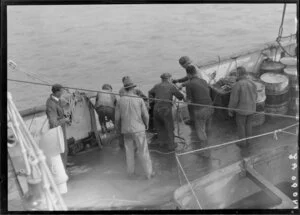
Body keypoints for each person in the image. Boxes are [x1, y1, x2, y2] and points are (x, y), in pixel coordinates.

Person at [115, 77, 154, 180]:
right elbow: (146, 116)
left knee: (129, 152)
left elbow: (117, 118)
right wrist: (147, 125)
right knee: (143, 151)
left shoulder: (119, 101)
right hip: (139, 129)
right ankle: (148, 173)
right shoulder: (139, 99)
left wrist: (118, 129)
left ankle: (131, 174)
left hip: (126, 130)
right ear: (133, 88)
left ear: (125, 88)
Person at [173, 56, 216, 125]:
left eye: (182, 65)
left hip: (197, 87)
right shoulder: (191, 66)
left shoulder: (190, 68)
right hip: (202, 85)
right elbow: (189, 77)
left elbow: (192, 78)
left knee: (190, 105)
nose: (182, 67)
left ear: (184, 64)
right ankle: (202, 118)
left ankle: (193, 120)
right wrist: (178, 80)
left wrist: (182, 85)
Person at [148, 73, 184, 151]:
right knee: (169, 127)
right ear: (169, 78)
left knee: (160, 126)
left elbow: (150, 92)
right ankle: (171, 145)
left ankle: (161, 143)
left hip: (156, 109)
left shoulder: (156, 86)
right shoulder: (171, 86)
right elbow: (180, 97)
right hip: (165, 110)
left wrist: (152, 100)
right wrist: (179, 91)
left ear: (162, 79)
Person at [185, 65, 214, 156]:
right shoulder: (203, 81)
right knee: (207, 127)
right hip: (210, 107)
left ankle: (205, 151)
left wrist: (184, 99)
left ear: (188, 74)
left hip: (200, 110)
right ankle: (208, 142)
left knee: (200, 130)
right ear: (196, 72)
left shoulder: (189, 84)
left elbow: (189, 101)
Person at [46, 84, 73, 169]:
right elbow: (53, 123)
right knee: (61, 148)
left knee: (64, 148)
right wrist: (65, 120)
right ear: (57, 92)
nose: (62, 92)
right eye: (61, 91)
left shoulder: (56, 100)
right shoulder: (51, 104)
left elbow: (64, 102)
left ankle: (64, 164)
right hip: (57, 129)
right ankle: (63, 168)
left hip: (61, 127)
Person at [228, 66, 257, 148]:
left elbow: (234, 100)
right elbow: (256, 96)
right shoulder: (252, 83)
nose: (235, 75)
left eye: (236, 74)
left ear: (238, 74)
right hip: (252, 109)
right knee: (249, 125)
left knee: (241, 126)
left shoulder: (237, 85)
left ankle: (242, 143)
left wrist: (230, 110)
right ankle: (249, 141)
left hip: (241, 111)